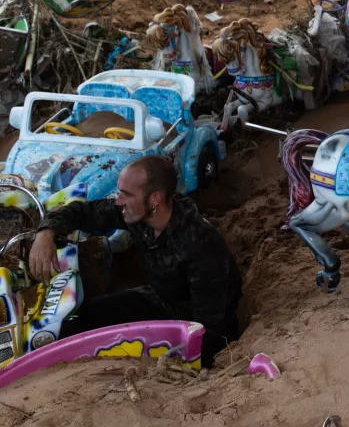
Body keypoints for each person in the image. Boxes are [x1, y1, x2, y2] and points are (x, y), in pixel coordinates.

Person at [29, 155, 242, 367]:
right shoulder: (141, 213)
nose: (119, 200)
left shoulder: (200, 246)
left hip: (196, 323)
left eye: (126, 194)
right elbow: (84, 212)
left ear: (155, 198)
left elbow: (209, 328)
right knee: (89, 316)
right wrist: (46, 232)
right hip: (162, 298)